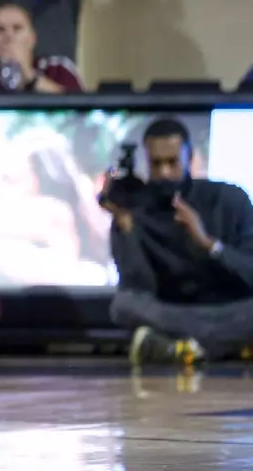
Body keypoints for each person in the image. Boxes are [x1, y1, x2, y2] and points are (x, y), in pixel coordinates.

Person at [106, 118, 253, 366]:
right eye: (157, 164)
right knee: (123, 305)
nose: (164, 173)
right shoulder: (133, 211)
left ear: (190, 157)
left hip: (230, 308)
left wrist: (208, 244)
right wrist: (125, 224)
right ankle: (215, 345)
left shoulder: (228, 198)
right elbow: (139, 287)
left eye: (173, 163)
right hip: (172, 312)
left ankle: (180, 347)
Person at [0, 3, 84, 94]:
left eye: (17, 28)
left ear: (32, 39)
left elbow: (78, 111)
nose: (9, 36)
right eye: (0, 30)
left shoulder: (57, 69)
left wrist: (29, 75)